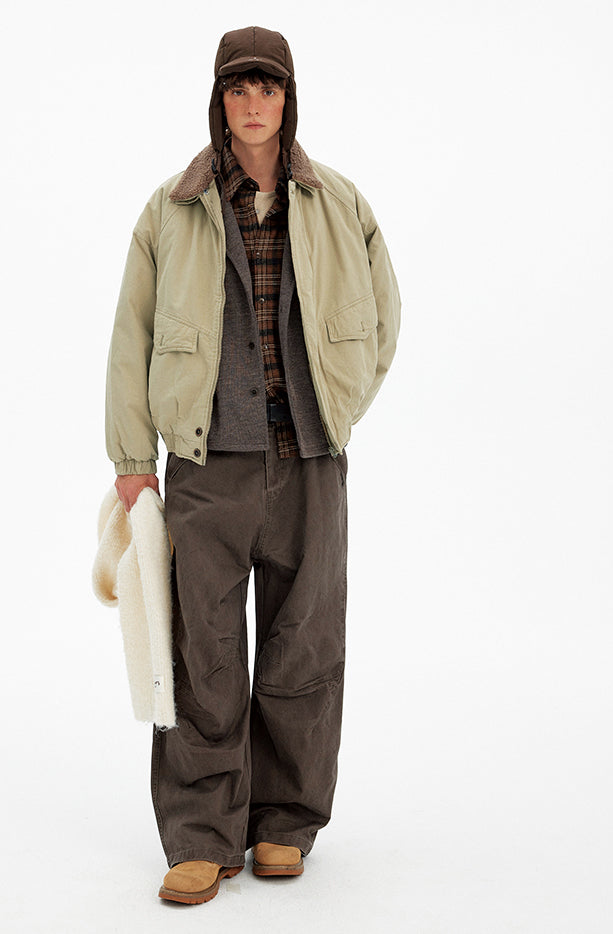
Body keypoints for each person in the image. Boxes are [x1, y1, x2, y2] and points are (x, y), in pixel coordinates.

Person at [105, 25, 401, 905]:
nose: (253, 104)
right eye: (238, 88)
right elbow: (131, 334)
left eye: (267, 88)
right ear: (220, 100)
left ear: (288, 98)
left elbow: (384, 315)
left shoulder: (337, 201)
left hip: (310, 461)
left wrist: (341, 406)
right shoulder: (173, 208)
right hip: (208, 464)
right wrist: (133, 457)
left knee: (304, 644)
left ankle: (284, 821)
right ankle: (201, 833)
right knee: (201, 650)